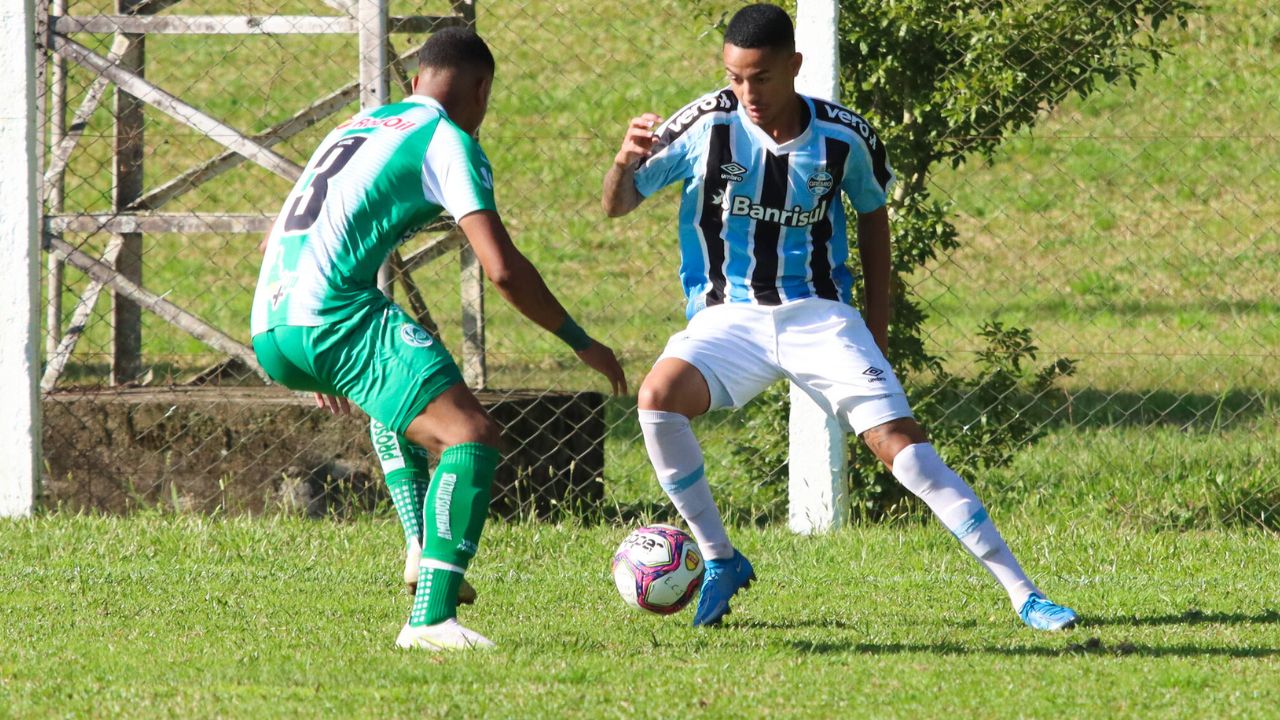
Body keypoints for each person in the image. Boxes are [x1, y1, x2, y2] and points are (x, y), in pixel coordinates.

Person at [601, 3, 1077, 631]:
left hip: (819, 316)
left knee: (903, 451)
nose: (747, 93)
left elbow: (874, 216)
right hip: (728, 317)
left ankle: (1025, 594)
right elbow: (618, 205)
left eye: (762, 78)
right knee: (656, 398)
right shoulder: (704, 124)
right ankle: (719, 557)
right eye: (736, 77)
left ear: (794, 67)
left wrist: (874, 333)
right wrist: (622, 160)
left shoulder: (844, 136)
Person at [251, 28, 627, 651]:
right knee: (471, 435)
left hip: (273, 322)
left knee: (409, 401)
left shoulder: (361, 126)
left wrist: (318, 353)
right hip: (329, 314)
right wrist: (580, 341)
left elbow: (275, 240)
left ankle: (420, 545)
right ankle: (430, 620)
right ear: (480, 89)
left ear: (418, 77)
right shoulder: (447, 141)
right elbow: (501, 268)